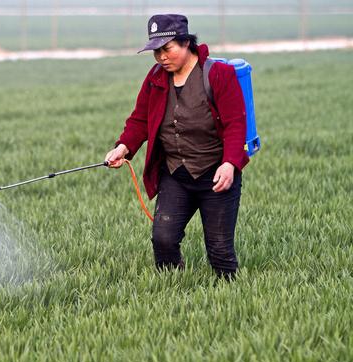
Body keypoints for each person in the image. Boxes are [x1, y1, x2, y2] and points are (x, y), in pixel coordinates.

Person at [104, 14, 249, 280]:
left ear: (186, 43)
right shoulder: (156, 78)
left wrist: (230, 164)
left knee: (219, 251)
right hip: (175, 175)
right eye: (156, 51)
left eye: (167, 49)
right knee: (163, 239)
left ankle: (231, 298)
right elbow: (140, 119)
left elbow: (235, 125)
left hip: (216, 175)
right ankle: (172, 288)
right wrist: (123, 147)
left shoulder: (218, 75)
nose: (161, 57)